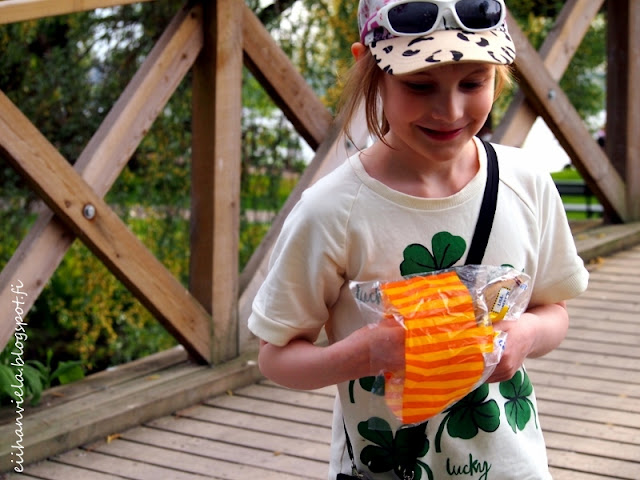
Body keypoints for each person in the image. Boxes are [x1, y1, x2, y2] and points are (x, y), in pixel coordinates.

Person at [248, 0, 589, 478]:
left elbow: (554, 311)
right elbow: (276, 357)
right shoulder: (332, 211)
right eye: (419, 85)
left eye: (473, 82)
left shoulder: (526, 184)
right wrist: (368, 353)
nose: (450, 110)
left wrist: (528, 335)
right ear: (369, 69)